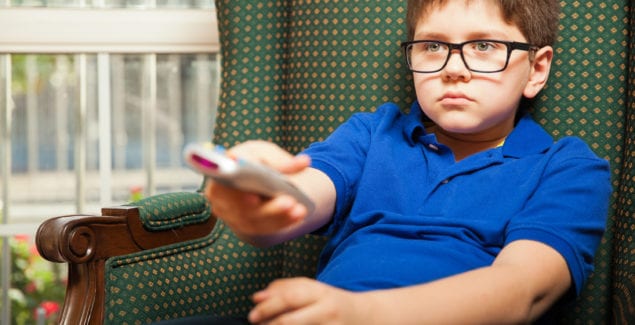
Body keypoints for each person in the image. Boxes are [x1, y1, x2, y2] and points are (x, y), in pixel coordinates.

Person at [163, 0, 612, 324]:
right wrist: (261, 191)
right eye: (433, 47)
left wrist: (362, 313)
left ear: (536, 69)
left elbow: (522, 292)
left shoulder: (569, 167)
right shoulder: (371, 133)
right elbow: (303, 196)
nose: (453, 68)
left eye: (484, 46)